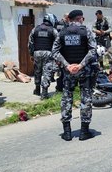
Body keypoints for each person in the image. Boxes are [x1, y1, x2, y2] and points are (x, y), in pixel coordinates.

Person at [52, 9, 97, 141]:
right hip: (84, 71)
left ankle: (67, 132)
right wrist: (80, 65)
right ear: (79, 19)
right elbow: (93, 51)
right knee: (86, 98)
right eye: (82, 18)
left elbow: (54, 52)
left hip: (68, 72)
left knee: (66, 99)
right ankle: (84, 132)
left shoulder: (62, 32)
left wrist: (67, 65)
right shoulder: (86, 31)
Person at [28, 13, 58, 100]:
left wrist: (31, 54)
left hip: (37, 53)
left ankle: (37, 90)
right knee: (47, 72)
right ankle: (44, 93)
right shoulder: (53, 30)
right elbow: (58, 43)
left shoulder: (35, 29)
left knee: (37, 71)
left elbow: (30, 42)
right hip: (48, 53)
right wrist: (56, 55)